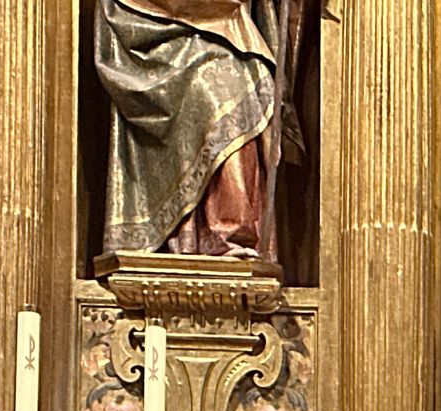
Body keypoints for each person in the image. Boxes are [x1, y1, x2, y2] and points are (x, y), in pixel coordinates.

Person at [94, 0, 308, 257]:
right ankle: (212, 234)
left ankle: (232, 233)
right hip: (151, 23)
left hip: (225, 31)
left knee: (253, 85)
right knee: (218, 93)